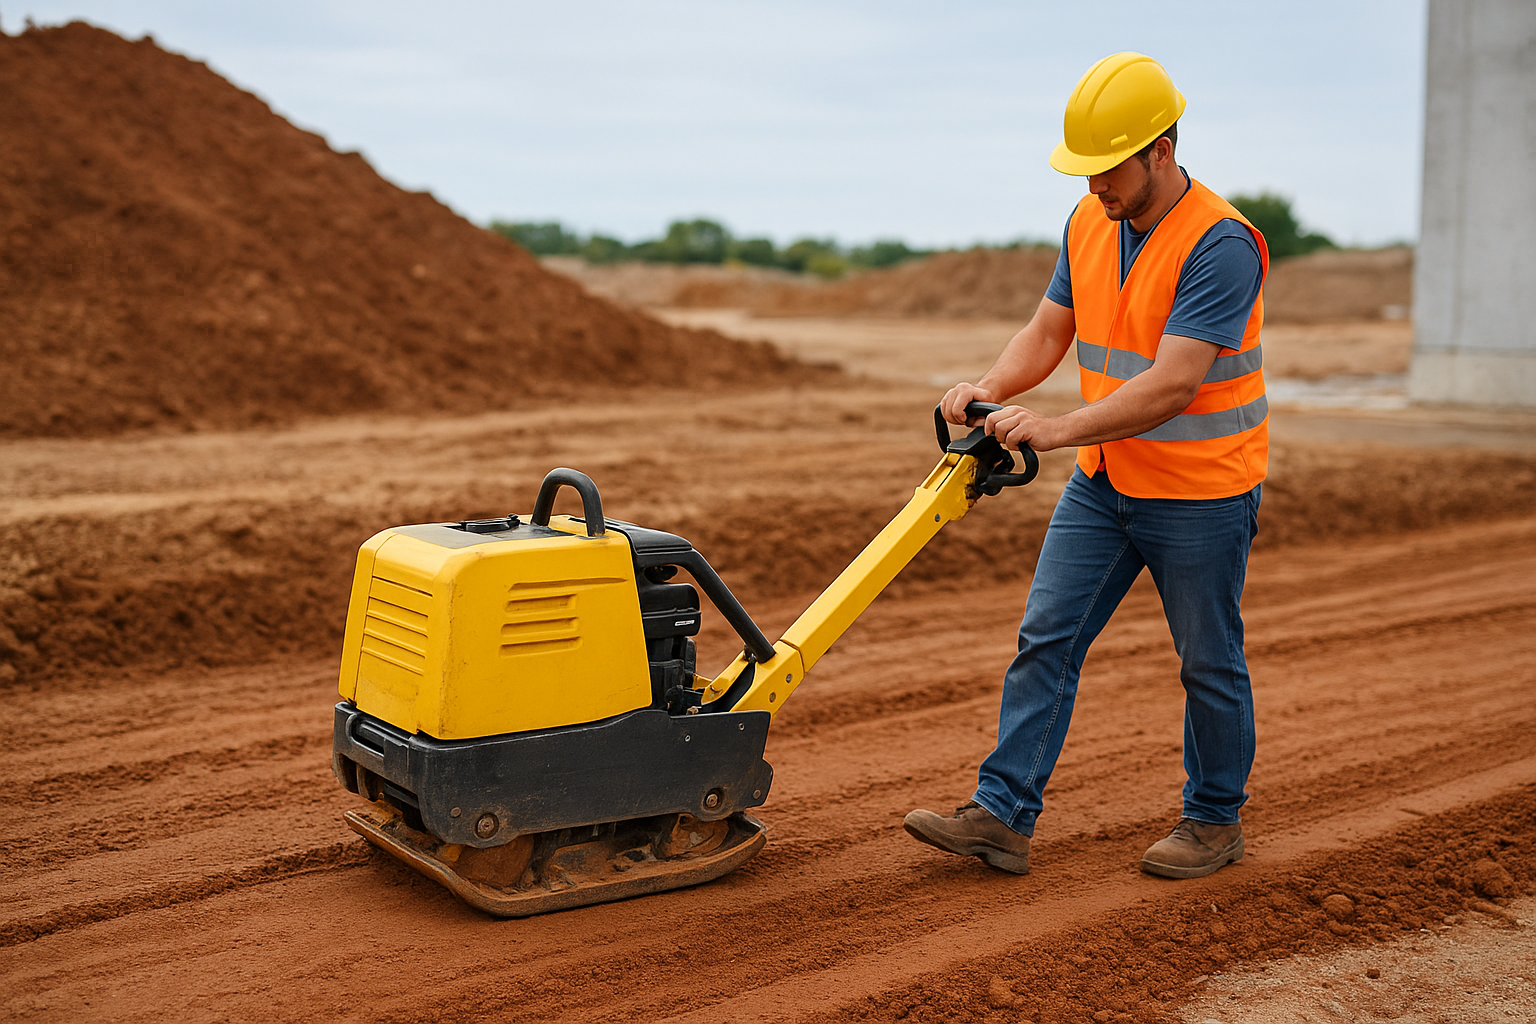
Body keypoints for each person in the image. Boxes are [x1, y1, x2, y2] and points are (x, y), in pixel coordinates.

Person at [903, 52, 1269, 880]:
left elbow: (1173, 383)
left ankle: (1215, 820)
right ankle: (1002, 815)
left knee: (1208, 662)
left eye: (1108, 168)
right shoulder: (1088, 221)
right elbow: (1048, 331)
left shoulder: (1222, 244)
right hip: (1106, 484)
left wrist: (1057, 428)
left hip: (1202, 490)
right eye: (1087, 170)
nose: (1095, 184)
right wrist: (989, 389)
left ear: (1161, 153)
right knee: (1047, 637)